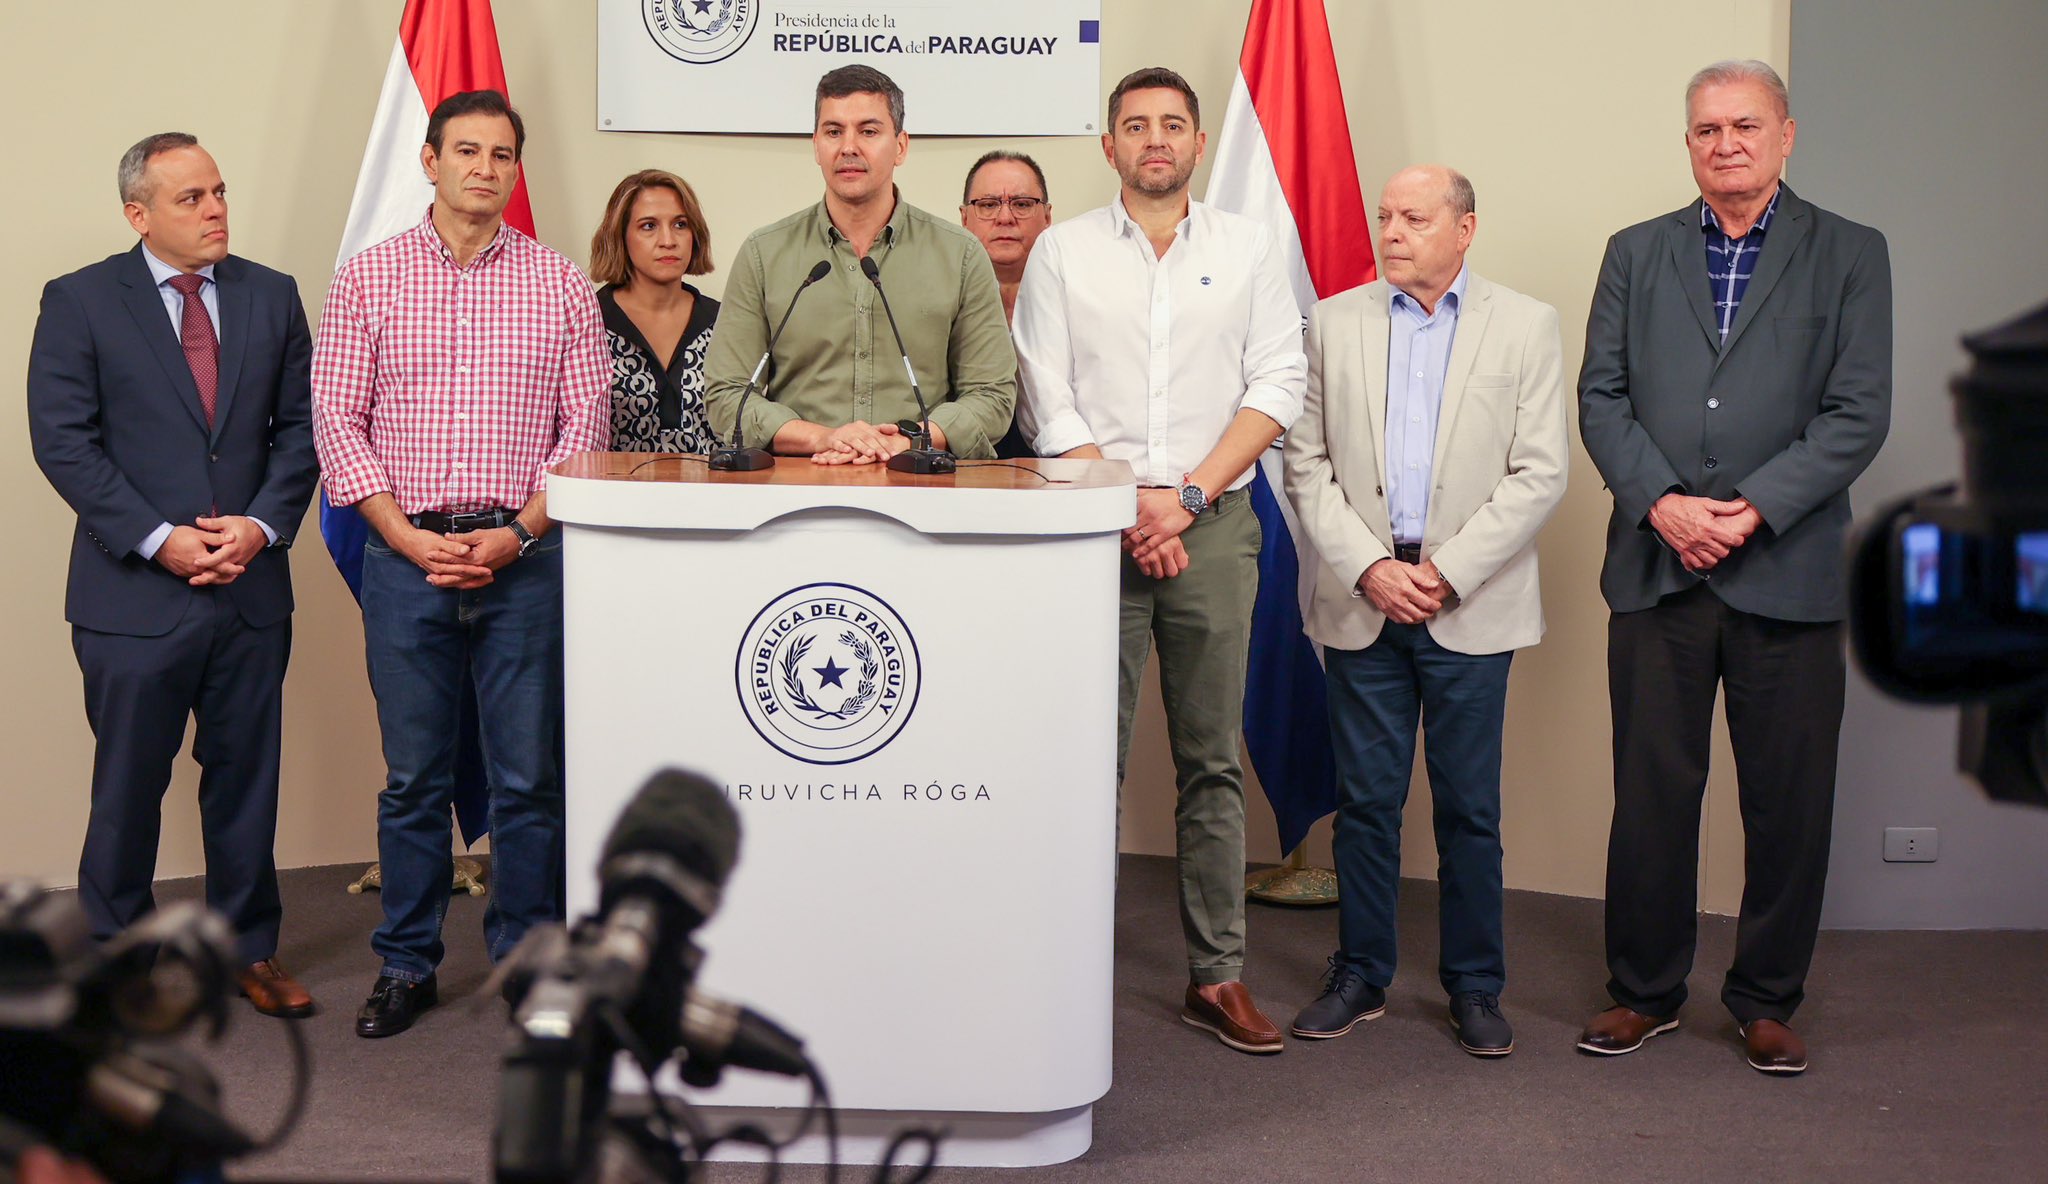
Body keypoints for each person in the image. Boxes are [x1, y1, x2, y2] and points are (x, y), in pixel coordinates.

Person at [1575, 59, 1892, 1075]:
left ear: (1783, 135)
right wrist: (1662, 505)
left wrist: (1748, 510)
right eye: (1706, 129)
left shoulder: (1848, 252)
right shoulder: (1633, 253)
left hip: (1786, 573)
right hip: (1656, 567)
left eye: (1744, 126)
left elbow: (1856, 412)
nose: (1725, 144)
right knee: (1651, 793)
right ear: (1687, 143)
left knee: (1786, 800)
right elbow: (1601, 396)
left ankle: (1763, 996)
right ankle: (1643, 989)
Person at [1012, 67, 1306, 1055]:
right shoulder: (1059, 252)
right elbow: (1043, 393)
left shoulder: (1249, 247)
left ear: (1194, 141)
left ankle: (1216, 973)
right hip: (1089, 527)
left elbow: (1275, 381)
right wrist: (1128, 500)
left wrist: (1179, 499)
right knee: (1080, 756)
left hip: (1208, 522)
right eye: (1133, 125)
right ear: (1109, 146)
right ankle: (1060, 967)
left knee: (1208, 757)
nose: (1153, 139)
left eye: (1171, 124)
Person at [312, 89, 610, 1039]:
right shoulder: (367, 279)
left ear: (515, 172)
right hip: (406, 559)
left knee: (527, 779)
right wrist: (403, 538)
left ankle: (527, 964)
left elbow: (585, 433)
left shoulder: (559, 284)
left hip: (523, 559)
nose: (485, 167)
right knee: (415, 781)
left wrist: (517, 533)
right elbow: (337, 423)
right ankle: (405, 964)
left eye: (502, 154)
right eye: (467, 150)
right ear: (430, 162)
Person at [28, 132, 319, 1019]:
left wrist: (262, 527)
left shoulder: (273, 295)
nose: (216, 209)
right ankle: (117, 959)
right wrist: (159, 539)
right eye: (191, 198)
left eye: (220, 192)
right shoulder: (80, 301)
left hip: (249, 589)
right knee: (127, 787)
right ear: (138, 213)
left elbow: (305, 430)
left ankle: (248, 951)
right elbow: (64, 443)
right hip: (132, 597)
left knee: (245, 780)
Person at [1281, 165, 1568, 1057]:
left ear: (1465, 229)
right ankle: (1362, 970)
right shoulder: (1333, 321)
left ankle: (1475, 986)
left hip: (1468, 601)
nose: (1391, 230)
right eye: (1384, 216)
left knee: (1468, 807)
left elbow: (1540, 471)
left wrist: (1444, 573)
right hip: (1364, 597)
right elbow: (1305, 463)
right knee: (1365, 803)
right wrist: (1371, 566)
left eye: (1414, 217)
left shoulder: (1526, 325)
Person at [703, 65, 1015, 464]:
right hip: (796, 487)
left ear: (900, 146)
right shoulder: (764, 253)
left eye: (868, 131)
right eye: (834, 132)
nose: (848, 147)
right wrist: (823, 438)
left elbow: (993, 395)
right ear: (816, 145)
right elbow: (727, 393)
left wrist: (910, 441)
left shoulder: (961, 255)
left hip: (920, 481)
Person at [589, 169, 721, 453]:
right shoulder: (588, 321)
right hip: (613, 492)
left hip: (713, 492)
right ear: (620, 235)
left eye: (681, 225)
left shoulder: (725, 324)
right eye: (648, 226)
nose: (668, 240)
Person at [959, 149, 1053, 458]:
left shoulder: (1079, 295)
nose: (1005, 218)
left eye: (1022, 204)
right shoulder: (940, 301)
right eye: (987, 205)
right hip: (964, 469)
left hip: (1058, 468)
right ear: (964, 219)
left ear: (1048, 217)